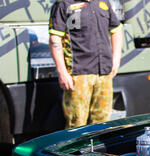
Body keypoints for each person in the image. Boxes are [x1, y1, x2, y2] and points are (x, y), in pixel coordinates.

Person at [48, 0, 123, 129]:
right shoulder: (64, 4)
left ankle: (96, 150)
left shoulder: (103, 3)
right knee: (76, 124)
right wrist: (62, 72)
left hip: (104, 74)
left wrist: (116, 60)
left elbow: (116, 30)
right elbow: (55, 39)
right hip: (78, 75)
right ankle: (74, 150)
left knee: (102, 124)